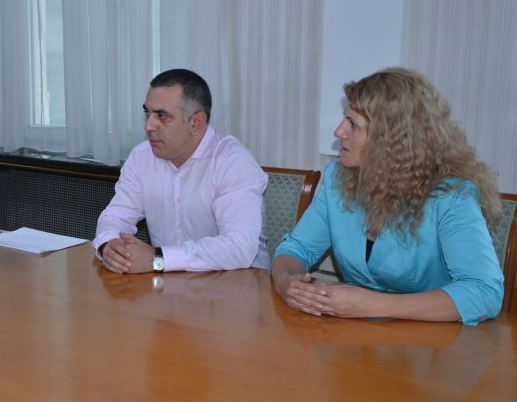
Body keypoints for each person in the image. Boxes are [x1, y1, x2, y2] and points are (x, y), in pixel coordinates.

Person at [273, 67, 503, 325]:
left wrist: (371, 305)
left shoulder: (452, 197)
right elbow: (296, 249)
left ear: (391, 139)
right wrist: (287, 283)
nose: (339, 132)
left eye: (353, 124)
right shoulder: (337, 179)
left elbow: (485, 292)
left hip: (434, 340)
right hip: (356, 337)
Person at [94, 68, 269, 274]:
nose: (149, 126)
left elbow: (239, 247)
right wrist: (110, 245)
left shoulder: (233, 162)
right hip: (167, 284)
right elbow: (115, 216)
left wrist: (158, 258)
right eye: (147, 113)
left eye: (162, 116)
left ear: (196, 123)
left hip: (235, 283)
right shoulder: (142, 156)